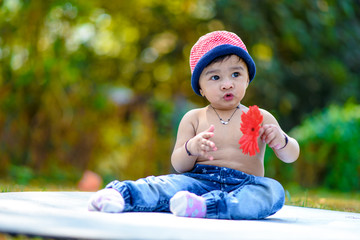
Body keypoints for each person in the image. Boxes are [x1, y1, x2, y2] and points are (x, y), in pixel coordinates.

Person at [88, 30, 300, 220]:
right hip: (198, 180)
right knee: (167, 184)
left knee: (273, 191)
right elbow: (179, 165)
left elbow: (291, 155)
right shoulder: (194, 117)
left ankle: (205, 207)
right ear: (201, 88)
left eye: (236, 74)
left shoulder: (261, 117)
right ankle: (121, 195)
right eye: (215, 77)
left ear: (247, 79)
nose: (227, 83)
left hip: (245, 186)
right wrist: (191, 148)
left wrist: (281, 141)